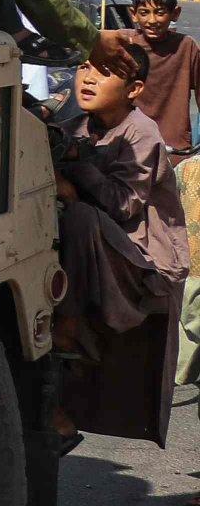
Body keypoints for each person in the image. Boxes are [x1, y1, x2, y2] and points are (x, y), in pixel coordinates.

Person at [51, 35, 187, 445]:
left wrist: (75, 168)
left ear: (134, 90)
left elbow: (123, 205)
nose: (89, 78)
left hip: (144, 258)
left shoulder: (141, 133)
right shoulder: (74, 124)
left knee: (78, 216)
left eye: (105, 72)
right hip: (104, 248)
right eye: (85, 67)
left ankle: (70, 328)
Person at [126, 0, 197, 150]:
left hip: (173, 146)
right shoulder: (124, 43)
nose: (152, 20)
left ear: (175, 14)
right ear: (134, 14)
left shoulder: (186, 47)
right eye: (144, 13)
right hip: (130, 144)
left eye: (160, 13)